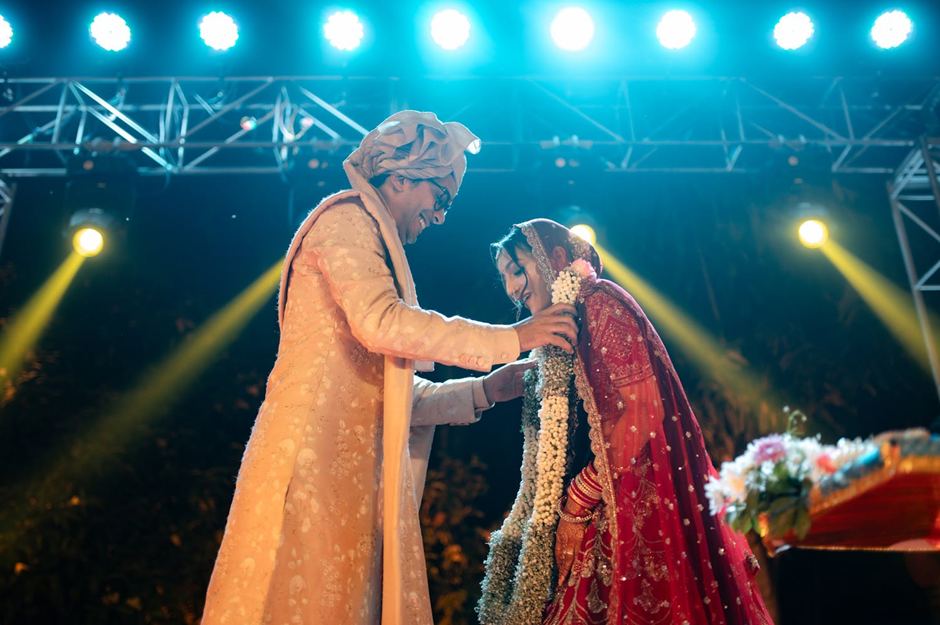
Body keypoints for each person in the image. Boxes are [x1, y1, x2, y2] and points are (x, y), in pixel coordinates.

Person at [202, 113, 578, 625]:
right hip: (309, 460)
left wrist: (487, 389)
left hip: (348, 474)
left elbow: (395, 395)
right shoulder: (346, 219)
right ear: (400, 177)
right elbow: (382, 322)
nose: (441, 216)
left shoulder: (374, 240)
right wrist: (512, 338)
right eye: (440, 198)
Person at [479, 219, 772, 624]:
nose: (512, 288)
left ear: (556, 258)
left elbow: (644, 408)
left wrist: (578, 501)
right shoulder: (558, 331)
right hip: (601, 506)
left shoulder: (598, 301)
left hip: (630, 508)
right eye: (504, 278)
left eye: (517, 269)